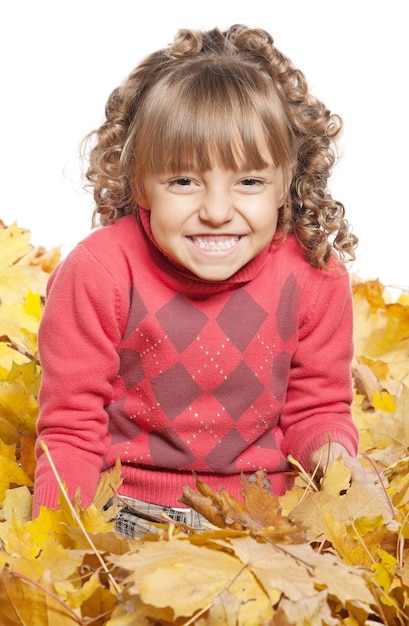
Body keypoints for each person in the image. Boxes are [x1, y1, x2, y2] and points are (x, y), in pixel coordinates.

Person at [33, 24, 370, 536]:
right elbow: (72, 429)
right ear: (140, 181)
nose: (216, 211)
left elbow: (317, 408)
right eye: (184, 180)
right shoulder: (100, 272)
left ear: (286, 181)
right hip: (126, 510)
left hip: (264, 519)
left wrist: (344, 472)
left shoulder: (313, 276)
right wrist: (59, 545)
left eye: (249, 181)